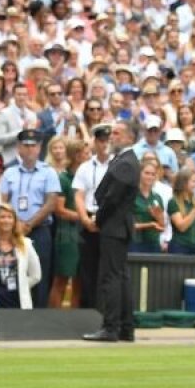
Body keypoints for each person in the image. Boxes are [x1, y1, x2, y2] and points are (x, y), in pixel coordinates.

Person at [83, 121, 141, 342]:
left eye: (117, 133)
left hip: (114, 226)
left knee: (112, 278)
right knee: (121, 277)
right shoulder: (124, 160)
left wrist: (99, 217)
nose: (111, 137)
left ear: (129, 138)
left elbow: (111, 198)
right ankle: (125, 327)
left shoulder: (126, 162)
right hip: (117, 226)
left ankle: (111, 327)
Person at [0, 128, 60, 308]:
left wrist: (29, 224)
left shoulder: (48, 172)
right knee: (12, 273)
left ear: (39, 148)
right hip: (12, 231)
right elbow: (3, 201)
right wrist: (13, 224)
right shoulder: (9, 172)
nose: (30, 149)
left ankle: (39, 316)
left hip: (39, 230)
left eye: (34, 146)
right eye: (26, 145)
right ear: (18, 148)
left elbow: (51, 203)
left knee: (39, 273)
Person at [74, 122, 112, 311]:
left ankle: (107, 311)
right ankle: (89, 311)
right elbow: (79, 196)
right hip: (89, 217)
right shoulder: (85, 167)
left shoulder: (118, 165)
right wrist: (85, 219)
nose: (104, 144)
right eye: (100, 140)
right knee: (88, 270)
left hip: (110, 220)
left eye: (107, 140)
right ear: (95, 143)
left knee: (109, 270)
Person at [0, 205, 41, 309]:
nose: (6, 220)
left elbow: (36, 275)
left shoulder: (26, 244)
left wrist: (22, 285)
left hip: (18, 302)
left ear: (14, 221)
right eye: (2, 217)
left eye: (10, 217)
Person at [49, 137, 83, 307]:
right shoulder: (63, 179)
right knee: (61, 279)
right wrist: (83, 216)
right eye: (86, 153)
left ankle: (74, 321)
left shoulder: (85, 177)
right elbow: (59, 210)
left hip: (83, 234)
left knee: (80, 281)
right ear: (76, 156)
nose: (88, 156)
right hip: (67, 234)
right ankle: (53, 320)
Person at [130, 159, 165, 253]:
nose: (150, 176)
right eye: (147, 173)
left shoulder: (157, 198)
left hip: (153, 243)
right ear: (139, 174)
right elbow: (129, 225)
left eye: (153, 174)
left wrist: (157, 217)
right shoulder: (131, 196)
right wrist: (150, 225)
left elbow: (162, 225)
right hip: (135, 242)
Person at [167, 168, 195, 255]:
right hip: (179, 247)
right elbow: (181, 226)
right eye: (193, 181)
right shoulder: (173, 202)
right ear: (184, 183)